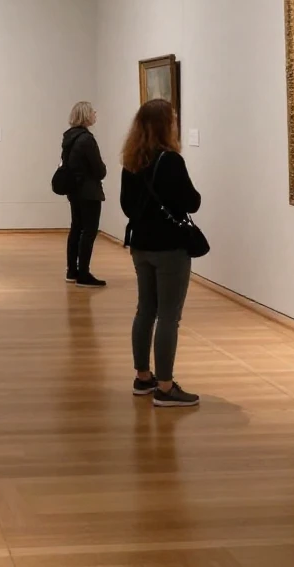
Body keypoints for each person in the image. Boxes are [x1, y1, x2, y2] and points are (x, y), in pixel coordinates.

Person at [120, 99, 201, 407]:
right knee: (168, 315)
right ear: (166, 125)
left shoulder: (132, 160)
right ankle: (165, 388)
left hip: (140, 245)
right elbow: (191, 202)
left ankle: (143, 377)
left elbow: (126, 205)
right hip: (169, 248)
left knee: (145, 310)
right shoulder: (171, 161)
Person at [60, 101, 107, 288]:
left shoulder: (69, 138)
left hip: (74, 190)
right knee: (89, 231)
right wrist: (102, 170)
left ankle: (72, 271)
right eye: (93, 111)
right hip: (89, 192)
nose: (95, 114)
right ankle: (84, 274)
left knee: (76, 228)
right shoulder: (87, 139)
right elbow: (99, 169)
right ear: (86, 115)